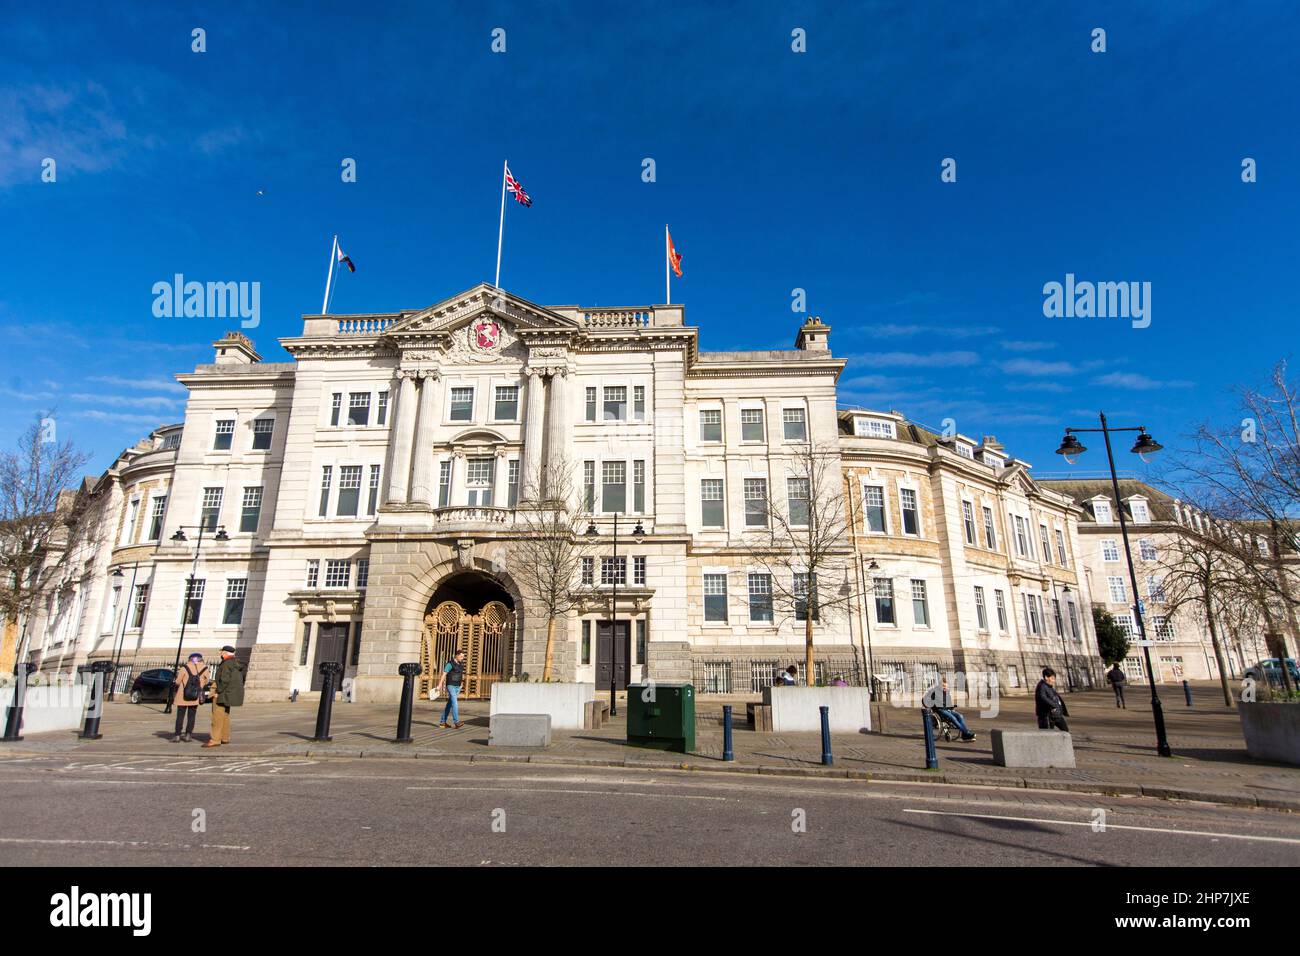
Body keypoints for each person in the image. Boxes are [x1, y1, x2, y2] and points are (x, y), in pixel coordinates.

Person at [204, 645, 246, 748]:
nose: (221, 654)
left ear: (225, 653)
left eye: (222, 652)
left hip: (223, 693)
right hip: (230, 694)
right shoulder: (237, 663)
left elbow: (224, 680)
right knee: (225, 716)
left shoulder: (226, 663)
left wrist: (218, 691)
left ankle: (215, 739)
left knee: (217, 717)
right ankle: (225, 737)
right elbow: (241, 679)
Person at [926, 675, 976, 741]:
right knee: (953, 718)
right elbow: (929, 702)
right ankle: (966, 733)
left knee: (960, 716)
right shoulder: (934, 693)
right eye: (943, 686)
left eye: (946, 686)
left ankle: (964, 734)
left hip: (947, 709)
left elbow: (949, 703)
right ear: (940, 685)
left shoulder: (947, 693)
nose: (945, 688)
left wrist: (952, 706)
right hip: (940, 710)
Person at [171, 653, 208, 743]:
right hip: (195, 696)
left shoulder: (184, 668)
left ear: (190, 659)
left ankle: (177, 735)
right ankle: (188, 735)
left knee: (180, 716)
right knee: (191, 716)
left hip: (182, 696)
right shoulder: (205, 668)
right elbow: (206, 682)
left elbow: (178, 682)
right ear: (200, 659)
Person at [437, 649, 467, 729]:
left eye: (463, 657)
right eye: (461, 656)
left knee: (449, 704)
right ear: (456, 655)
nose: (462, 658)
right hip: (451, 686)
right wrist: (439, 686)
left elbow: (461, 674)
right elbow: (444, 675)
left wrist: (461, 684)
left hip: (458, 687)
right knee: (455, 703)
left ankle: (443, 722)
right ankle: (456, 722)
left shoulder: (461, 664)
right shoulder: (450, 664)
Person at [1035, 667, 1070, 731]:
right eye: (1052, 678)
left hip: (1056, 715)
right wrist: (1053, 705)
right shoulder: (1041, 686)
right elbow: (1042, 697)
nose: (1054, 681)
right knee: (1047, 735)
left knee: (1065, 731)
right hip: (1047, 717)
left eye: (1054, 679)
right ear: (1046, 677)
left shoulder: (1049, 687)